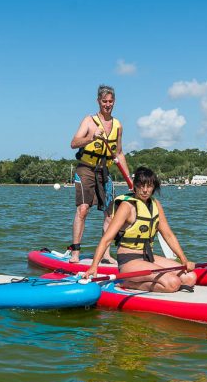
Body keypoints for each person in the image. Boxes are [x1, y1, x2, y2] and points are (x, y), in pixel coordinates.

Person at [82, 166, 196, 292]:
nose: (145, 190)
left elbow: (168, 235)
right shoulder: (127, 207)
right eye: (141, 186)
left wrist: (184, 260)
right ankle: (129, 284)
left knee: (190, 277)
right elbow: (106, 239)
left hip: (148, 257)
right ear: (135, 186)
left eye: (149, 186)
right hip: (129, 261)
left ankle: (147, 279)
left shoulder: (156, 204)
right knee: (173, 283)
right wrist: (94, 266)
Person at [68, 84, 131, 264]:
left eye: (110, 101)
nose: (107, 105)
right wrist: (91, 137)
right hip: (86, 168)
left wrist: (129, 180)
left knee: (110, 214)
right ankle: (75, 252)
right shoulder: (89, 121)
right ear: (98, 101)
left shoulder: (118, 125)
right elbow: (73, 143)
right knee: (83, 209)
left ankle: (105, 253)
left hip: (105, 171)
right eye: (104, 101)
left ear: (114, 102)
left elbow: (119, 153)